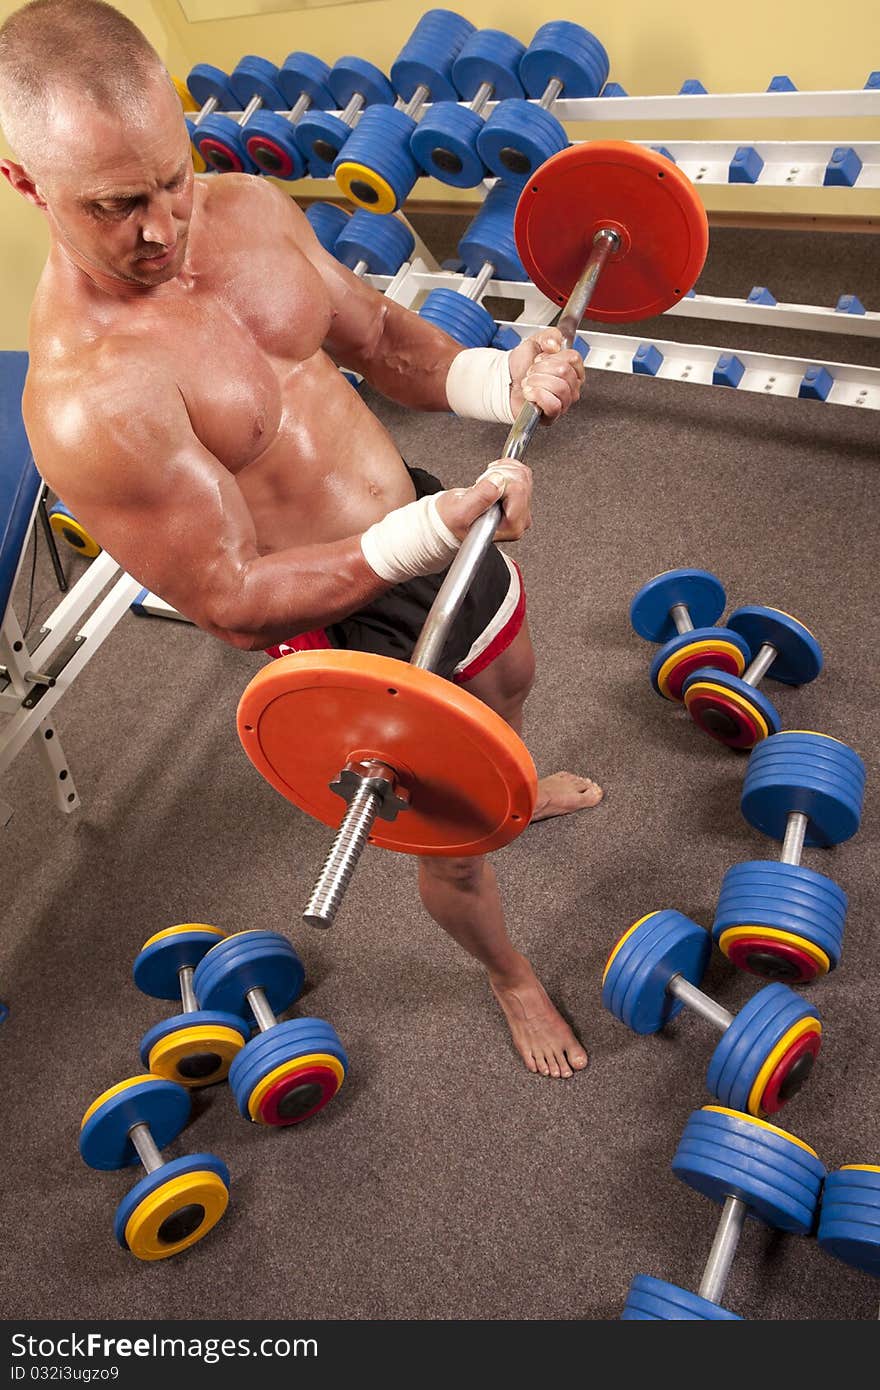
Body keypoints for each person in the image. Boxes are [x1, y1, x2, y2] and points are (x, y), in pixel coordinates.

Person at [0, 0, 603, 1078]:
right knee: (457, 846)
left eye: (171, 179)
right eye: (115, 206)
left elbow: (375, 336)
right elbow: (232, 601)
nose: (161, 229)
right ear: (24, 183)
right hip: (341, 612)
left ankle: (517, 779)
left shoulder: (244, 209)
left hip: (425, 525)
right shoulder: (89, 400)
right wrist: (428, 532)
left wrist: (492, 375)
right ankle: (509, 972)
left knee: (513, 667)